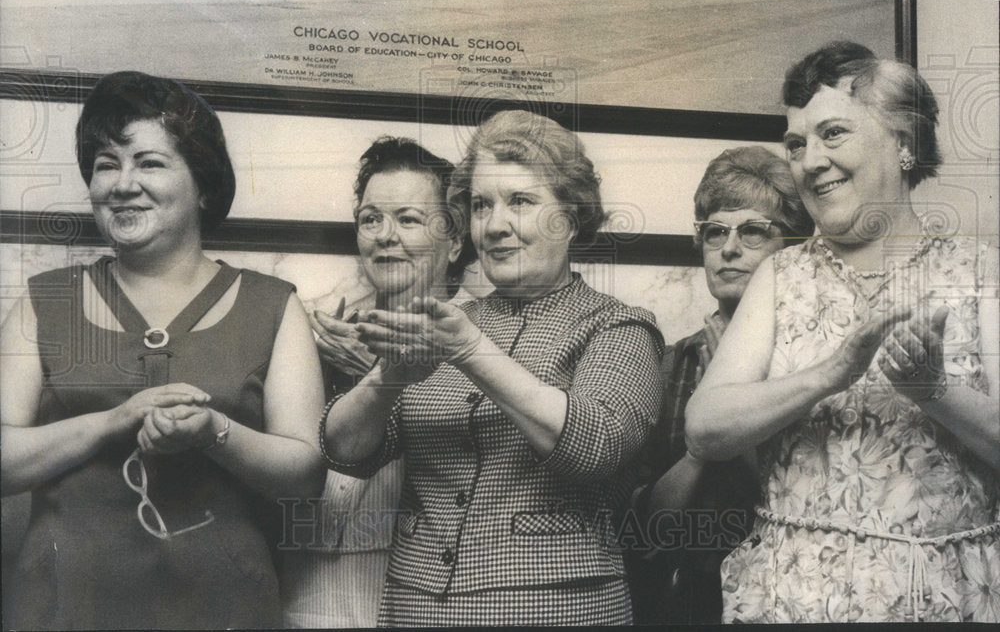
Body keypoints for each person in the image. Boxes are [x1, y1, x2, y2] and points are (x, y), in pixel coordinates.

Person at [686, 43, 1000, 623]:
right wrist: (830, 374)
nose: (809, 162)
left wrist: (934, 392)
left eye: (833, 134)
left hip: (940, 598)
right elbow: (705, 431)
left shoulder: (981, 271)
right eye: (796, 144)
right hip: (791, 597)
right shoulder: (780, 275)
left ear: (904, 143)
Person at [1, 71, 325, 630]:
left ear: (203, 185)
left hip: (225, 609)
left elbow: (305, 476)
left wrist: (214, 431)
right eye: (106, 164)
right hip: (61, 608)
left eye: (148, 163)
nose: (122, 184)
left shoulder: (274, 305)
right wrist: (114, 421)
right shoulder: (42, 301)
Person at [319, 109, 664, 625]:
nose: (495, 226)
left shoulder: (618, 325)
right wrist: (387, 378)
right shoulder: (446, 323)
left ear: (571, 218)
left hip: (556, 612)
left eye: (520, 201)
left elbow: (595, 447)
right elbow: (345, 453)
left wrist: (471, 351)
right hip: (418, 611)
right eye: (481, 205)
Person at [281, 136, 472, 628]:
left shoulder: (485, 341)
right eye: (371, 219)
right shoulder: (319, 330)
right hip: (307, 578)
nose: (385, 236)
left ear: (455, 241)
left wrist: (376, 373)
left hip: (422, 582)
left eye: (408, 219)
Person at [627, 145, 814, 624]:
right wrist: (701, 441)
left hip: (789, 596)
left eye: (753, 231)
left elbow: (800, 508)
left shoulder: (811, 361)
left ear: (792, 249)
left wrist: (728, 408)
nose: (729, 249)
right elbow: (648, 529)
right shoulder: (670, 363)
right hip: (685, 604)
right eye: (715, 231)